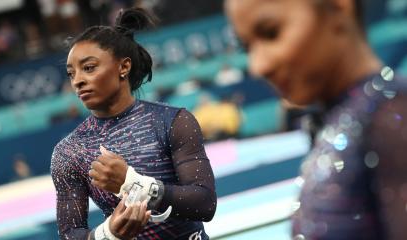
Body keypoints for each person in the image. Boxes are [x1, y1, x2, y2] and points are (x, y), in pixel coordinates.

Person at [226, 0, 407, 239]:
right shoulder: (340, 121)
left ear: (339, 7)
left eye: (271, 33)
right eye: (247, 47)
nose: (258, 66)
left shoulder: (391, 118)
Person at [51, 7, 216, 240]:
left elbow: (205, 202)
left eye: (89, 68)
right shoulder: (69, 153)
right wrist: (108, 233)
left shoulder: (173, 122)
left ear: (123, 67)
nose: (77, 81)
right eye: (71, 73)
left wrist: (132, 182)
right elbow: (69, 234)